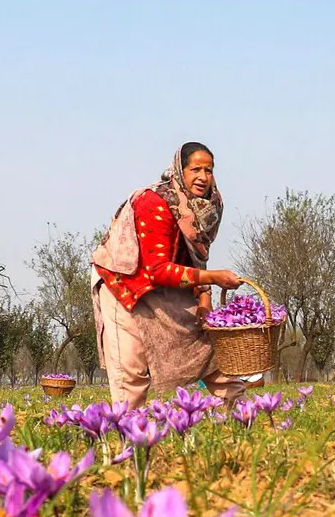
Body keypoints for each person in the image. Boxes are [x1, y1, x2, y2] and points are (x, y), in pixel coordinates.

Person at [90, 143, 251, 410]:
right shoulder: (154, 202)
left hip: (165, 278)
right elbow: (157, 269)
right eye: (195, 169)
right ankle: (131, 432)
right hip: (123, 281)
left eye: (208, 170)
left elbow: (195, 255)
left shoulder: (209, 206)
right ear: (180, 170)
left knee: (207, 342)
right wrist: (211, 278)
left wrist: (204, 296)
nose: (203, 177)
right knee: (130, 365)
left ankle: (243, 413)